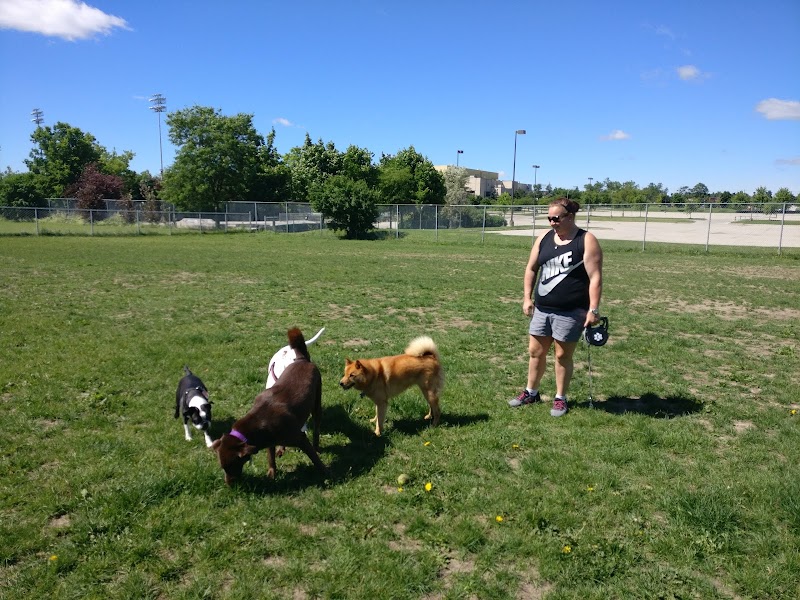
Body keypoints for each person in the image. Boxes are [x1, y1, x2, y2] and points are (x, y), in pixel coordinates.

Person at [508, 197, 603, 416]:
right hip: (542, 308)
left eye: (556, 218)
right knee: (535, 352)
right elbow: (531, 268)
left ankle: (561, 398)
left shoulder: (585, 240)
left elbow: (595, 277)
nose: (552, 222)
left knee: (562, 356)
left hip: (571, 311)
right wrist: (526, 298)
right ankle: (531, 392)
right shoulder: (544, 238)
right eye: (549, 218)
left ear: (570, 217)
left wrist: (593, 309)